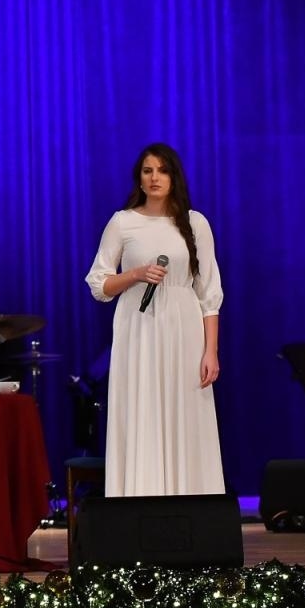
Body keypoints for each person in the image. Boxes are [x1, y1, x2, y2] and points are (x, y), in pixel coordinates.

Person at [84, 143, 224, 496]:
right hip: (139, 327)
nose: (155, 177)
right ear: (140, 178)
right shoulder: (123, 222)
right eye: (148, 171)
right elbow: (99, 285)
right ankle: (140, 501)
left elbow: (209, 293)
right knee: (141, 409)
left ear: (173, 176)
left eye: (162, 170)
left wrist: (211, 351)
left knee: (185, 414)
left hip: (183, 329)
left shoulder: (195, 223)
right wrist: (135, 274)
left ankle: (190, 504)